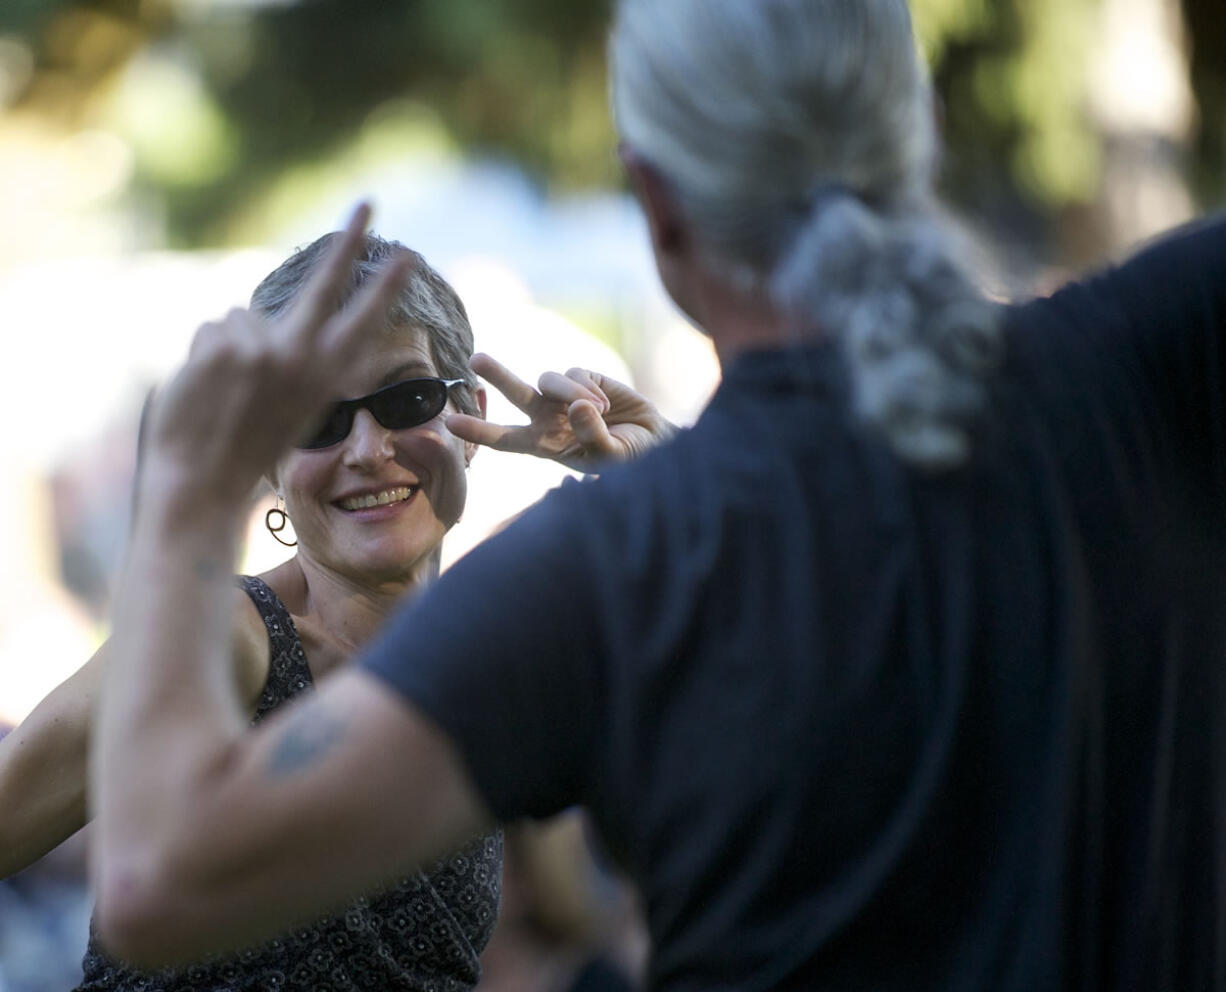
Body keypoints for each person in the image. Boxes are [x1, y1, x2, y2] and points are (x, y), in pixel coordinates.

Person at [91, 0, 1226, 988]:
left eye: (400, 402)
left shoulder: (605, 566)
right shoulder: (1147, 354)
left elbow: (156, 883)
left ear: (655, 200)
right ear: (915, 130)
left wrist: (188, 492)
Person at [0, 230, 671, 990]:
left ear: (472, 414)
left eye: (405, 399)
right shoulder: (231, 639)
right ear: (267, 461)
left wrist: (659, 478)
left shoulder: (485, 635)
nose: (367, 448)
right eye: (318, 419)